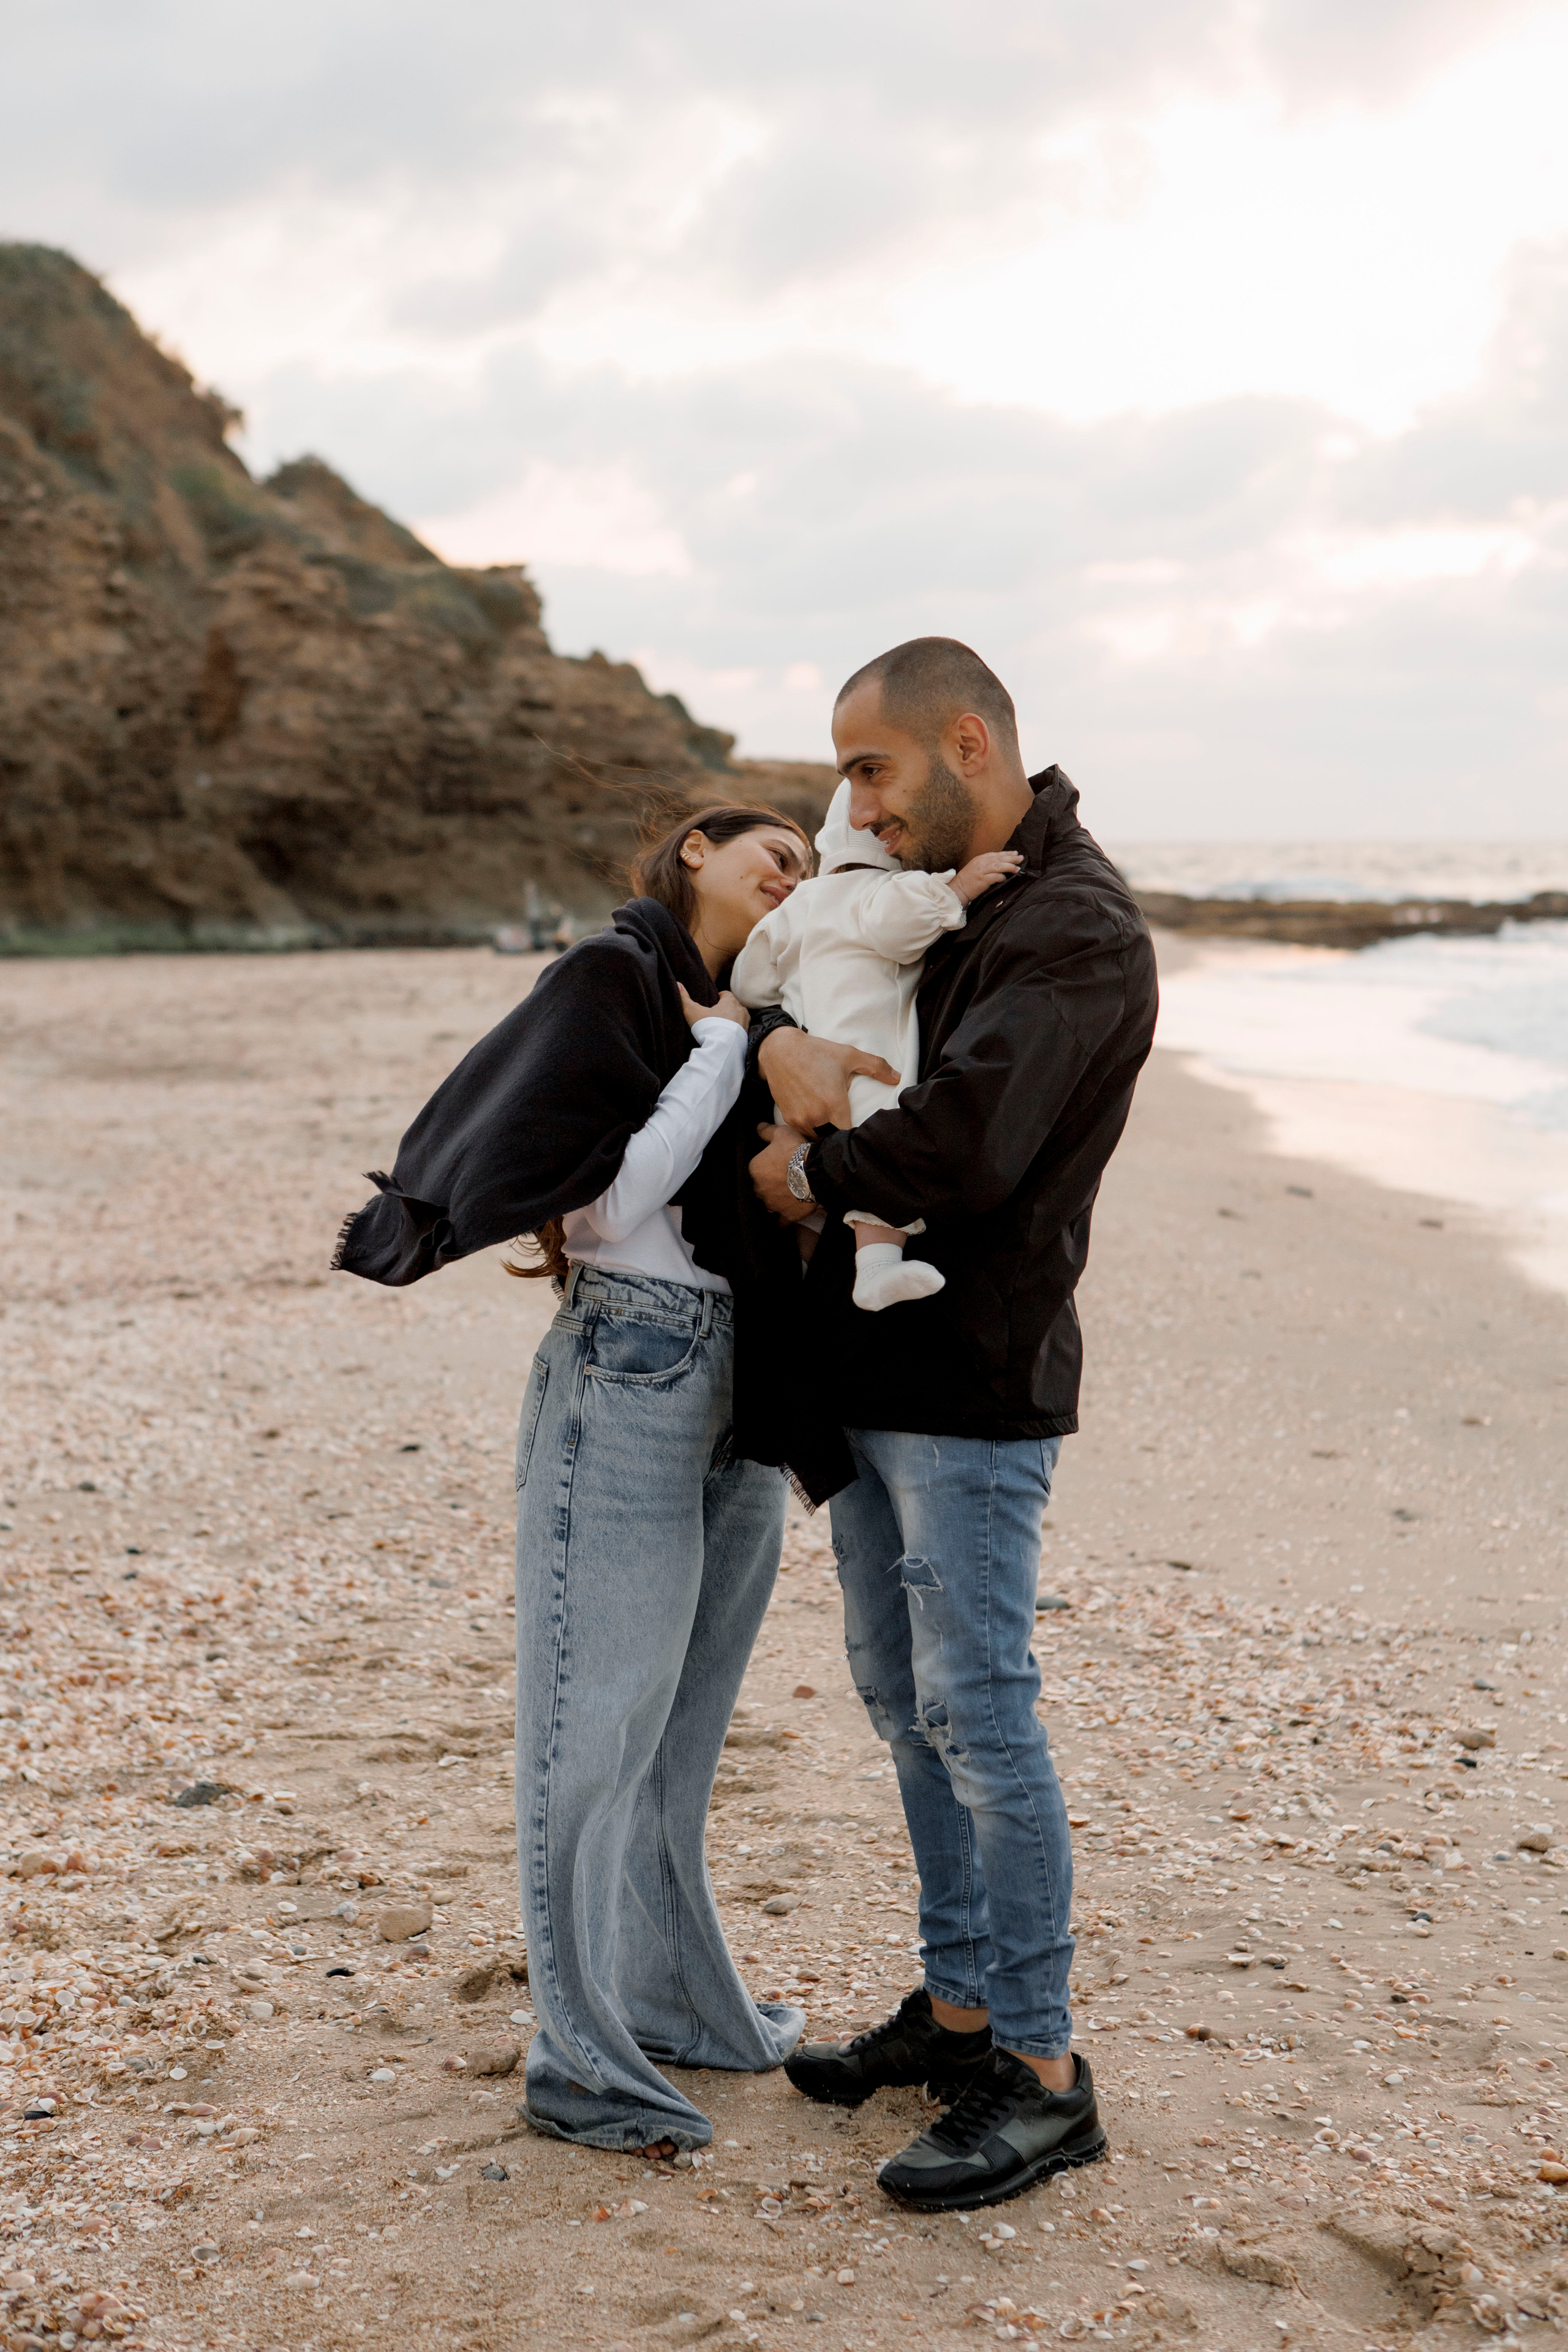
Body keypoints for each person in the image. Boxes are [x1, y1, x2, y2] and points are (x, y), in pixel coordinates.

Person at [334, 801, 858, 2156]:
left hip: (739, 1378)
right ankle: (577, 2056)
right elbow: (612, 1208)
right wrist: (727, 1050)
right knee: (590, 1733)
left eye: (810, 865)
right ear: (694, 848)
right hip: (627, 1365)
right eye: (773, 851)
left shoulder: (760, 1006)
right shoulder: (613, 981)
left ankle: (678, 2002)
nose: (790, 873)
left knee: (679, 1738)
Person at [747, 638, 1158, 2214]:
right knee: (899, 1696)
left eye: (870, 769)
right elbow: (810, 989)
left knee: (979, 1708)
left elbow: (968, 1141)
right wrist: (782, 1042)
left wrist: (806, 1175)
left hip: (975, 1378)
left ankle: (1043, 2071)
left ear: (966, 740)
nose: (851, 800)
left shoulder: (1069, 926)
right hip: (874, 1372)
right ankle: (960, 2006)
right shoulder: (956, 884)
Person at [731, 778, 1022, 1309]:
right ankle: (877, 1268)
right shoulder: (880, 892)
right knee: (878, 1148)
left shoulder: (799, 906)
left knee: (808, 1202)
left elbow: (752, 980)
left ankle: (803, 1282)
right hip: (868, 1063)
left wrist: (780, 1021)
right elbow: (897, 930)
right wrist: (957, 890)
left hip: (800, 1078)